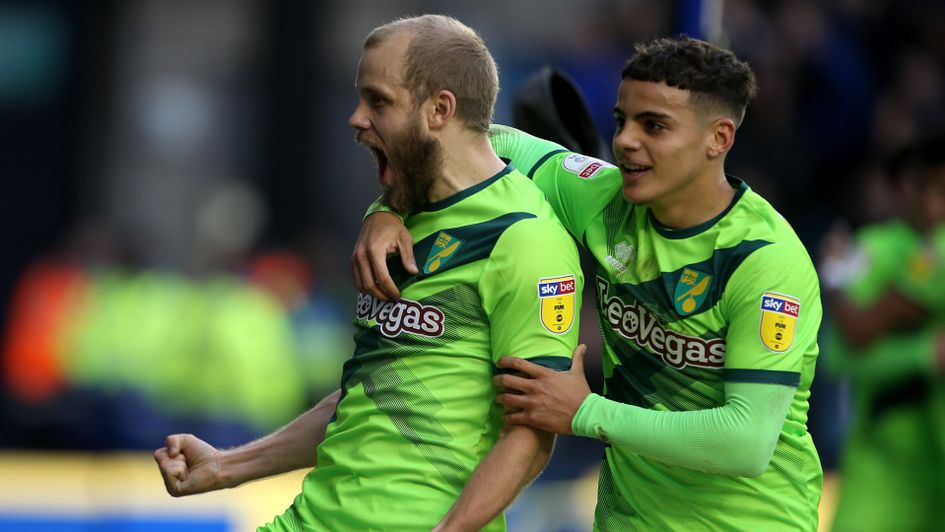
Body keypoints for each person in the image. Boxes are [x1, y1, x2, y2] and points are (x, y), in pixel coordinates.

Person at [354, 36, 823, 530]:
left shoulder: (765, 262)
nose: (625, 141)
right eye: (622, 121)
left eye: (654, 126)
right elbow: (463, 141)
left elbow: (744, 442)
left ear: (719, 139)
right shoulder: (601, 197)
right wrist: (388, 209)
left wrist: (584, 411)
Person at [153, 14, 584, 532]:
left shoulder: (523, 237)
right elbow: (372, 389)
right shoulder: (394, 215)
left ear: (440, 109)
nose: (356, 118)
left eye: (378, 101)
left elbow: (533, 435)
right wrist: (226, 466)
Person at [821, 133, 945, 532]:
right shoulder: (873, 248)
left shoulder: (935, 251)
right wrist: (923, 354)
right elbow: (838, 353)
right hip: (884, 461)